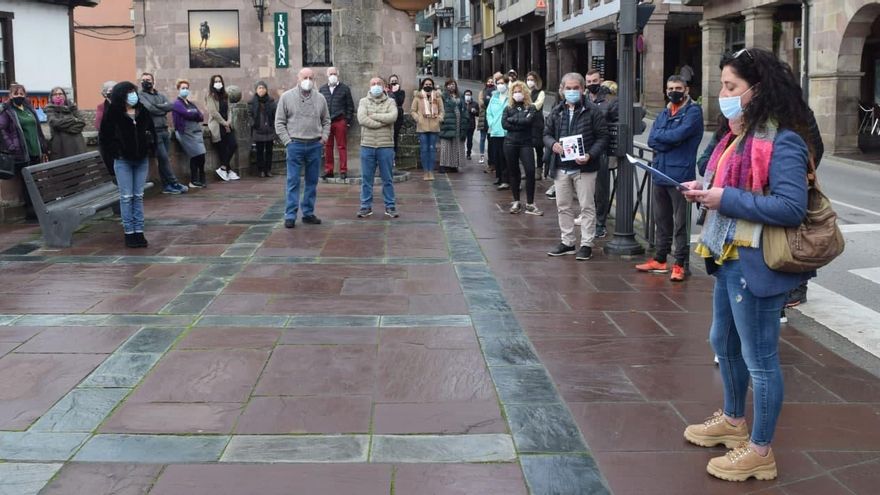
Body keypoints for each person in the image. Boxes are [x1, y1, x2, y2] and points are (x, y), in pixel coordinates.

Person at [680, 47, 816, 482]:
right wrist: (703, 188)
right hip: (728, 255)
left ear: (757, 91)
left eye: (731, 86)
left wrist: (725, 199)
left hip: (758, 265)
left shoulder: (784, 141)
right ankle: (735, 421)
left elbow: (791, 206)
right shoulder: (736, 137)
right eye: (722, 85)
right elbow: (726, 184)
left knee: (760, 359)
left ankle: (760, 450)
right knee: (723, 341)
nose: (723, 94)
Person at [636, 75, 704, 281]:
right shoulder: (665, 112)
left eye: (678, 88)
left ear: (686, 90)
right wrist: (668, 139)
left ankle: (680, 264)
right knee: (661, 220)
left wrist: (665, 138)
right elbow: (652, 139)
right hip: (660, 171)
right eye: (670, 88)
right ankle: (660, 258)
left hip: (680, 176)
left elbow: (678, 136)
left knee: (680, 223)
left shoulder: (694, 112)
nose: (674, 91)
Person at [544, 73, 609, 261]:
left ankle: (586, 244)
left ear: (582, 89)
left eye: (576, 88)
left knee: (587, 206)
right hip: (561, 167)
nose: (572, 91)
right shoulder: (557, 111)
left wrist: (590, 155)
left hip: (584, 168)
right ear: (562, 90)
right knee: (563, 206)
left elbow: (603, 137)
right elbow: (546, 134)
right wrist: (552, 144)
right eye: (568, 88)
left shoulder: (593, 111)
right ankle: (568, 242)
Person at [98, 81, 156, 248]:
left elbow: (152, 132)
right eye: (129, 92)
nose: (133, 95)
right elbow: (105, 138)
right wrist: (116, 152)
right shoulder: (113, 113)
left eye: (134, 92)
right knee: (126, 197)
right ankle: (129, 232)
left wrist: (150, 148)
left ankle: (139, 231)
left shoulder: (142, 111)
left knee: (138, 196)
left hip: (141, 159)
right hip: (123, 160)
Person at [275, 67, 330, 229]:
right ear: (298, 78)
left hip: (314, 145)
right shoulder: (286, 97)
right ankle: (290, 215)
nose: (308, 80)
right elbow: (279, 122)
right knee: (293, 181)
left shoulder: (320, 98)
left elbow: (327, 120)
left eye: (311, 78)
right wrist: (287, 141)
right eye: (304, 77)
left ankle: (308, 213)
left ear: (314, 80)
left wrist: (324, 138)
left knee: (312, 181)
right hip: (295, 144)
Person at [0, 83, 49, 219]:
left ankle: (38, 209)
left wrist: (44, 147)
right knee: (28, 182)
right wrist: (11, 146)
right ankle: (31, 212)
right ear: (10, 96)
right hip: (21, 153)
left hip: (35, 151)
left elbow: (38, 129)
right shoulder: (7, 111)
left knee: (35, 181)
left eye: (21, 93)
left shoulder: (28, 109)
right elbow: (2, 129)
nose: (19, 96)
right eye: (16, 93)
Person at [356, 76, 399, 218]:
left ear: (384, 86)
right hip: (367, 145)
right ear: (369, 86)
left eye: (378, 83)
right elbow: (362, 119)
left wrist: (373, 115)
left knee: (387, 178)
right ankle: (365, 206)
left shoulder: (391, 101)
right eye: (373, 83)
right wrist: (381, 123)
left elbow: (392, 117)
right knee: (366, 179)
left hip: (385, 146)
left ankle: (390, 206)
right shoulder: (363, 101)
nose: (376, 86)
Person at [139, 72, 188, 194]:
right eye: (143, 80)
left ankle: (167, 186)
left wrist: (158, 108)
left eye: (148, 79)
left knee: (163, 161)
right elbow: (149, 108)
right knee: (164, 158)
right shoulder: (140, 96)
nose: (146, 82)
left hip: (165, 131)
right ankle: (174, 183)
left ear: (153, 81)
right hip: (154, 133)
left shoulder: (160, 95)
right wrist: (162, 108)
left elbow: (170, 106)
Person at [585, 69, 619, 239]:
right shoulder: (582, 99)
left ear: (601, 80)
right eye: (589, 81)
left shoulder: (610, 100)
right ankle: (588, 220)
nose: (592, 84)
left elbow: (617, 122)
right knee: (585, 189)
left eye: (595, 80)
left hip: (601, 151)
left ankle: (600, 223)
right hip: (583, 149)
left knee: (601, 190)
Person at [502, 81, 542, 216]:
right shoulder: (507, 108)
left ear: (524, 93)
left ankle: (530, 203)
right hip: (510, 143)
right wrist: (519, 122)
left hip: (526, 143)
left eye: (519, 91)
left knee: (530, 171)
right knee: (513, 172)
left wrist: (513, 120)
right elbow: (504, 124)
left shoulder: (531, 107)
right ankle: (516, 201)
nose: (517, 94)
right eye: (514, 92)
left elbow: (528, 122)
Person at [319, 67, 354, 180]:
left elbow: (350, 106)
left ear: (337, 74)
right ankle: (329, 170)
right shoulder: (322, 89)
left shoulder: (344, 88)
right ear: (327, 75)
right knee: (328, 147)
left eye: (334, 73)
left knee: (342, 146)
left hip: (340, 121)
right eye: (331, 73)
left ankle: (343, 170)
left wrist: (347, 120)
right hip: (327, 123)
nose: (333, 75)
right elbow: (318, 106)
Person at [171, 79, 207, 189]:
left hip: (196, 131)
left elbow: (201, 116)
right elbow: (185, 114)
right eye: (183, 88)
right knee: (195, 154)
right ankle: (194, 180)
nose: (185, 90)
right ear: (178, 89)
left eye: (187, 88)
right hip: (185, 132)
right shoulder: (177, 103)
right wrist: (193, 113)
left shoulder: (191, 103)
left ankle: (201, 175)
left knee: (202, 154)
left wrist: (193, 113)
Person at [205, 74, 239, 181]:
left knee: (233, 144)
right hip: (217, 125)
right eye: (215, 81)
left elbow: (229, 109)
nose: (218, 83)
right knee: (223, 149)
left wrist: (228, 121)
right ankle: (227, 170)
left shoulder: (225, 95)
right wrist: (224, 123)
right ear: (212, 83)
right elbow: (213, 112)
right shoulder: (210, 96)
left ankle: (223, 168)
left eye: (219, 81)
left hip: (226, 124)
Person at [411, 77, 442, 181]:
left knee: (432, 149)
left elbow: (442, 110)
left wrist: (439, 119)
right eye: (426, 84)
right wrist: (417, 118)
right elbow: (413, 110)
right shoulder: (418, 97)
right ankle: (425, 171)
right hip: (422, 126)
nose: (428, 86)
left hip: (434, 125)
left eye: (430, 84)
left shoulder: (437, 96)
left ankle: (431, 171)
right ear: (422, 85)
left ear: (432, 85)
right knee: (424, 149)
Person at [45, 86, 87, 160]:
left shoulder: (72, 108)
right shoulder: (50, 110)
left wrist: (63, 127)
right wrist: (73, 120)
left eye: (60, 94)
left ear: (64, 95)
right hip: (61, 147)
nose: (58, 96)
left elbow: (82, 122)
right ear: (51, 97)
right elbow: (55, 123)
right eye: (55, 94)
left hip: (78, 145)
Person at [438, 79, 470, 173]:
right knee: (446, 144)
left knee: (457, 144)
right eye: (449, 84)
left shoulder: (460, 96)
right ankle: (443, 165)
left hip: (459, 123)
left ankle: (454, 164)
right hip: (448, 121)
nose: (451, 86)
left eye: (453, 84)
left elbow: (464, 108)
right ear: (446, 86)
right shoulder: (443, 96)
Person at [248, 81, 277, 178]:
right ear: (256, 90)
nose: (261, 90)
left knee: (269, 151)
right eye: (259, 88)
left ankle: (268, 170)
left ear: (266, 89)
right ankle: (260, 170)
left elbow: (275, 115)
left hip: (269, 129)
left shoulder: (271, 101)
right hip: (258, 130)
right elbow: (249, 115)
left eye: (263, 88)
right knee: (259, 151)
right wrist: (253, 124)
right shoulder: (252, 102)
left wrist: (273, 126)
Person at [487, 74, 510, 190]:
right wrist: (491, 123)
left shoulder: (511, 97)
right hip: (495, 131)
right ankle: (499, 177)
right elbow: (489, 112)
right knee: (497, 156)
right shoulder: (494, 97)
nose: (500, 85)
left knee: (506, 156)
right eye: (498, 83)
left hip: (507, 132)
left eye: (502, 83)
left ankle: (507, 179)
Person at [526, 71, 546, 181]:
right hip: (526, 123)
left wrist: (527, 106)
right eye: (528, 79)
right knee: (526, 148)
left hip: (537, 123)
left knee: (538, 148)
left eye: (532, 80)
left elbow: (537, 105)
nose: (529, 82)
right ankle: (529, 170)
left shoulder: (540, 92)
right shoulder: (524, 91)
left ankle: (539, 171)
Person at [95, 80, 117, 177]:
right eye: (110, 90)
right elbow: (98, 125)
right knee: (111, 168)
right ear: (104, 93)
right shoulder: (101, 107)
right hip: (108, 143)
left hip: (122, 144)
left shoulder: (124, 105)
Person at [387, 74, 405, 166]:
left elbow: (399, 101)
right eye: (392, 81)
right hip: (388, 116)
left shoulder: (401, 92)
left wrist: (396, 92)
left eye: (395, 81)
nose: (394, 82)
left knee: (395, 137)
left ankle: (393, 157)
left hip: (398, 117)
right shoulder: (386, 92)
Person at [477, 78, 495, 165]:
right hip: (483, 117)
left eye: (492, 82)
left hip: (492, 117)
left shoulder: (495, 92)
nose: (490, 83)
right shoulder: (482, 92)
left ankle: (491, 156)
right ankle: (481, 156)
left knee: (491, 139)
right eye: (489, 82)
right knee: (482, 138)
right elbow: (481, 103)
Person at [463, 89, 479, 160]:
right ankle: (461, 153)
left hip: (471, 125)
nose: (468, 96)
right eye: (466, 94)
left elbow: (478, 114)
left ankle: (468, 153)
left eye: (469, 95)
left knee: (469, 140)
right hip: (462, 124)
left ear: (471, 96)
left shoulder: (475, 104)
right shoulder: (462, 103)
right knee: (462, 140)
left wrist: (475, 111)